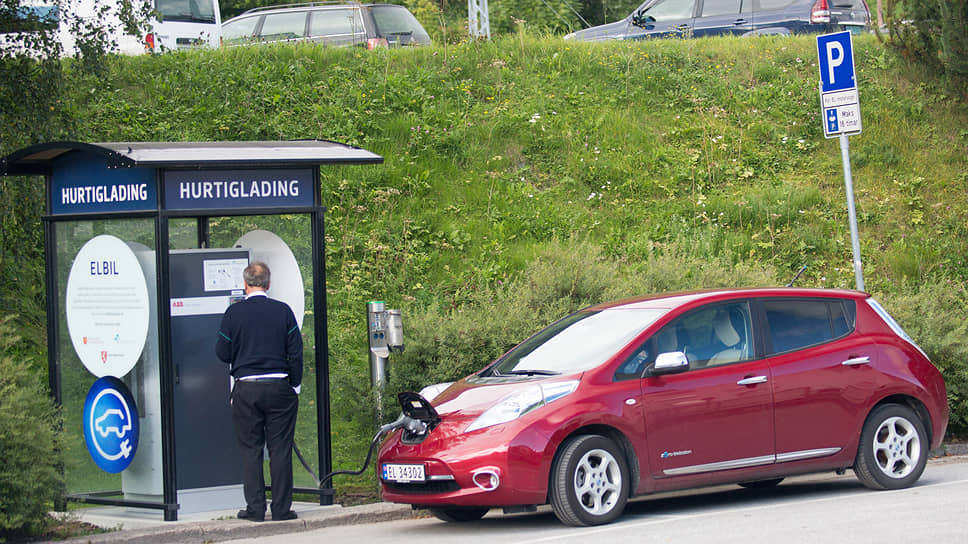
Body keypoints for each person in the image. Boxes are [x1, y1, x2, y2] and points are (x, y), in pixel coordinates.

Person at [216, 261, 302, 522]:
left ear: (245, 284)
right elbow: (296, 353)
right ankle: (281, 509)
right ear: (268, 283)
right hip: (279, 387)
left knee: (250, 450)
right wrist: (294, 386)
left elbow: (222, 352)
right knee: (280, 449)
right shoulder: (283, 311)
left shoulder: (234, 314)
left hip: (246, 388)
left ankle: (255, 509)